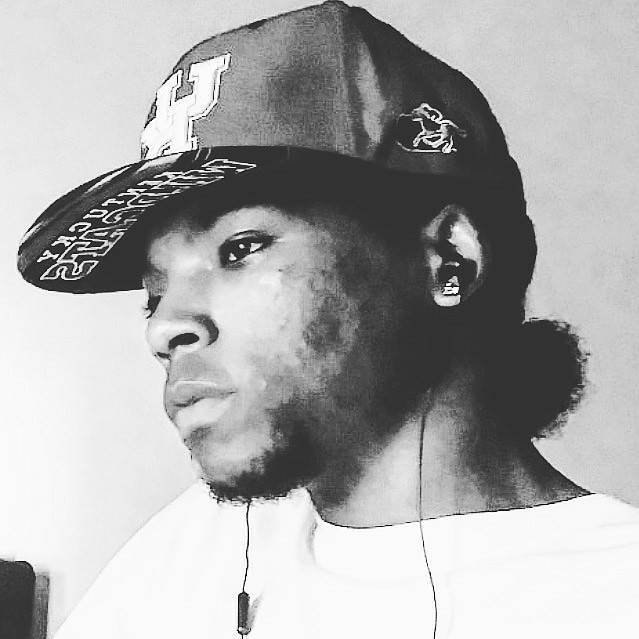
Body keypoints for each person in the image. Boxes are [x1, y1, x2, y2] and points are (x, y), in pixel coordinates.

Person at [17, 2, 639, 637]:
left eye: (240, 249)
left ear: (447, 258)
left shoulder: (614, 599)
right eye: (153, 294)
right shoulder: (194, 548)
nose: (163, 328)